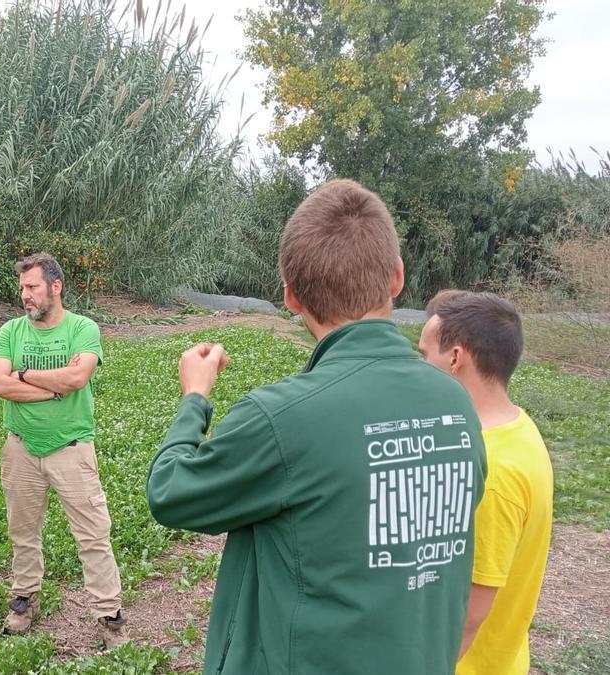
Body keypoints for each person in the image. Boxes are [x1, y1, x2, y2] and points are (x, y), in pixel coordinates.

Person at [146, 179, 487, 673]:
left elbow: (171, 492)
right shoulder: (455, 401)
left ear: (291, 297)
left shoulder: (281, 417)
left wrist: (195, 398)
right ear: (396, 277)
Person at [0, 252, 127, 648]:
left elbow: (78, 378)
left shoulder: (83, 328)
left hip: (72, 449)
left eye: (32, 287)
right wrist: (54, 387)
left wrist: (24, 374)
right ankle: (24, 598)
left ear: (56, 286)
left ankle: (109, 615)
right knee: (23, 531)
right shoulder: (10, 331)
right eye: (22, 288)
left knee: (93, 535)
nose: (25, 295)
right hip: (20, 448)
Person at [418, 290, 554, 675]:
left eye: (424, 355)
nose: (420, 366)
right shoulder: (518, 428)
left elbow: (469, 616)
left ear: (455, 358)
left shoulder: (492, 471)